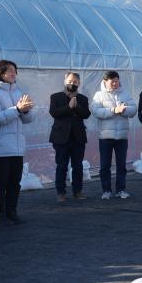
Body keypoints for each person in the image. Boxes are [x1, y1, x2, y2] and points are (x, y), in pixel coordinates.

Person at [0, 59, 35, 225]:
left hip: (17, 145)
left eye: (15, 70)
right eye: (9, 71)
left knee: (15, 181)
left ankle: (12, 211)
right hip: (0, 145)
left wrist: (26, 111)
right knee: (2, 181)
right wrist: (18, 109)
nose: (13, 73)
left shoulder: (18, 92)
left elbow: (28, 119)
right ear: (0, 73)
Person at [91, 70, 137, 200]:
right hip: (105, 137)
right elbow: (96, 111)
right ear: (105, 82)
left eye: (117, 81)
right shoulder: (99, 95)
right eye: (112, 81)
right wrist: (113, 110)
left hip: (122, 136)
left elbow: (133, 110)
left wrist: (124, 110)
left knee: (121, 165)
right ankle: (106, 190)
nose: (115, 83)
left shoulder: (125, 93)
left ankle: (121, 189)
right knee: (105, 165)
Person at [49, 72, 91, 202]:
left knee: (77, 166)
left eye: (75, 81)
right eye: (70, 80)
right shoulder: (56, 97)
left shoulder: (83, 98)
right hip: (61, 137)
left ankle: (77, 191)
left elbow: (86, 114)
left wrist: (76, 106)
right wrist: (69, 107)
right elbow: (54, 113)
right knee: (61, 165)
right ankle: (60, 192)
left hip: (78, 137)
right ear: (65, 81)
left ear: (79, 83)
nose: (72, 83)